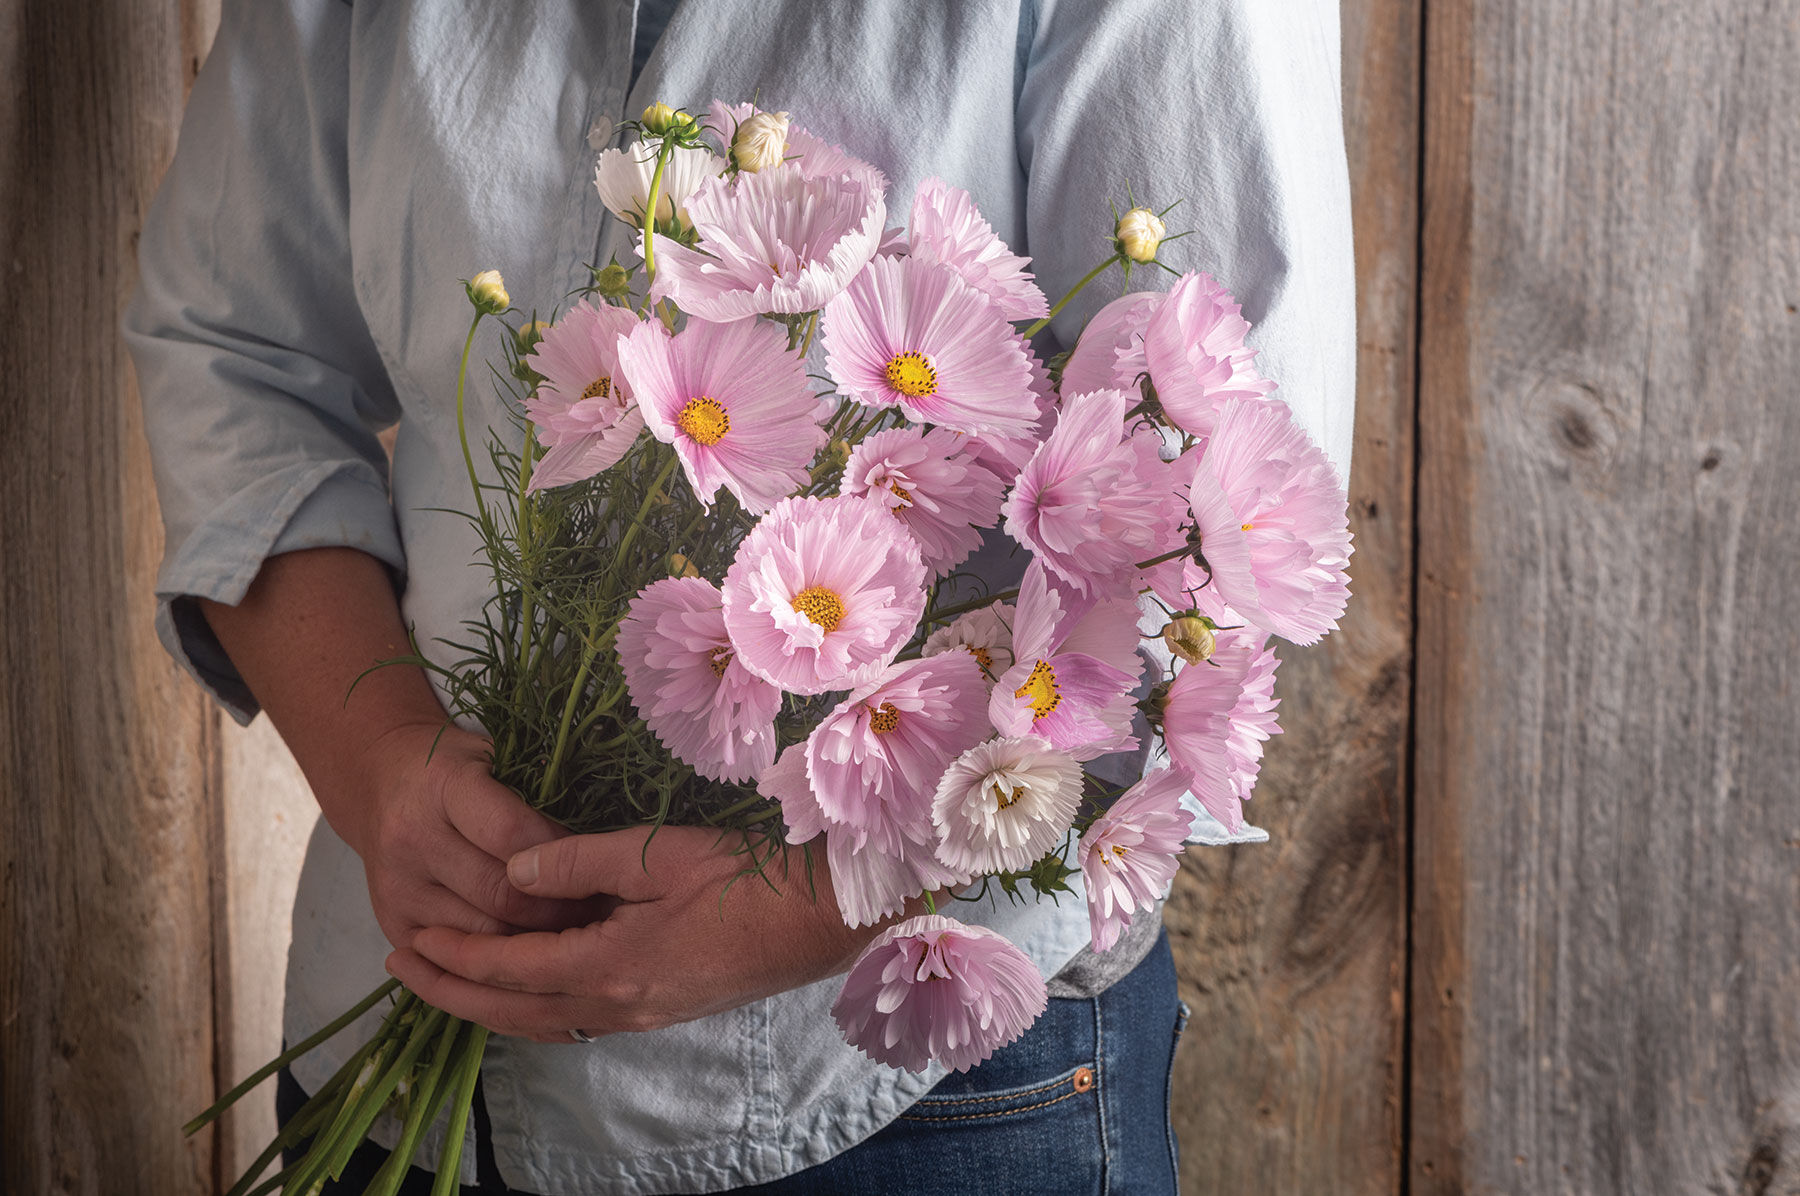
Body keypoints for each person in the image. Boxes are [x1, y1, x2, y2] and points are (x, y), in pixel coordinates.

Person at [124, 1, 1354, 1192]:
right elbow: (235, 352)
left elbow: (1218, 518)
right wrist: (376, 752)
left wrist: (807, 905)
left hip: (904, 1076)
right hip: (398, 1017)